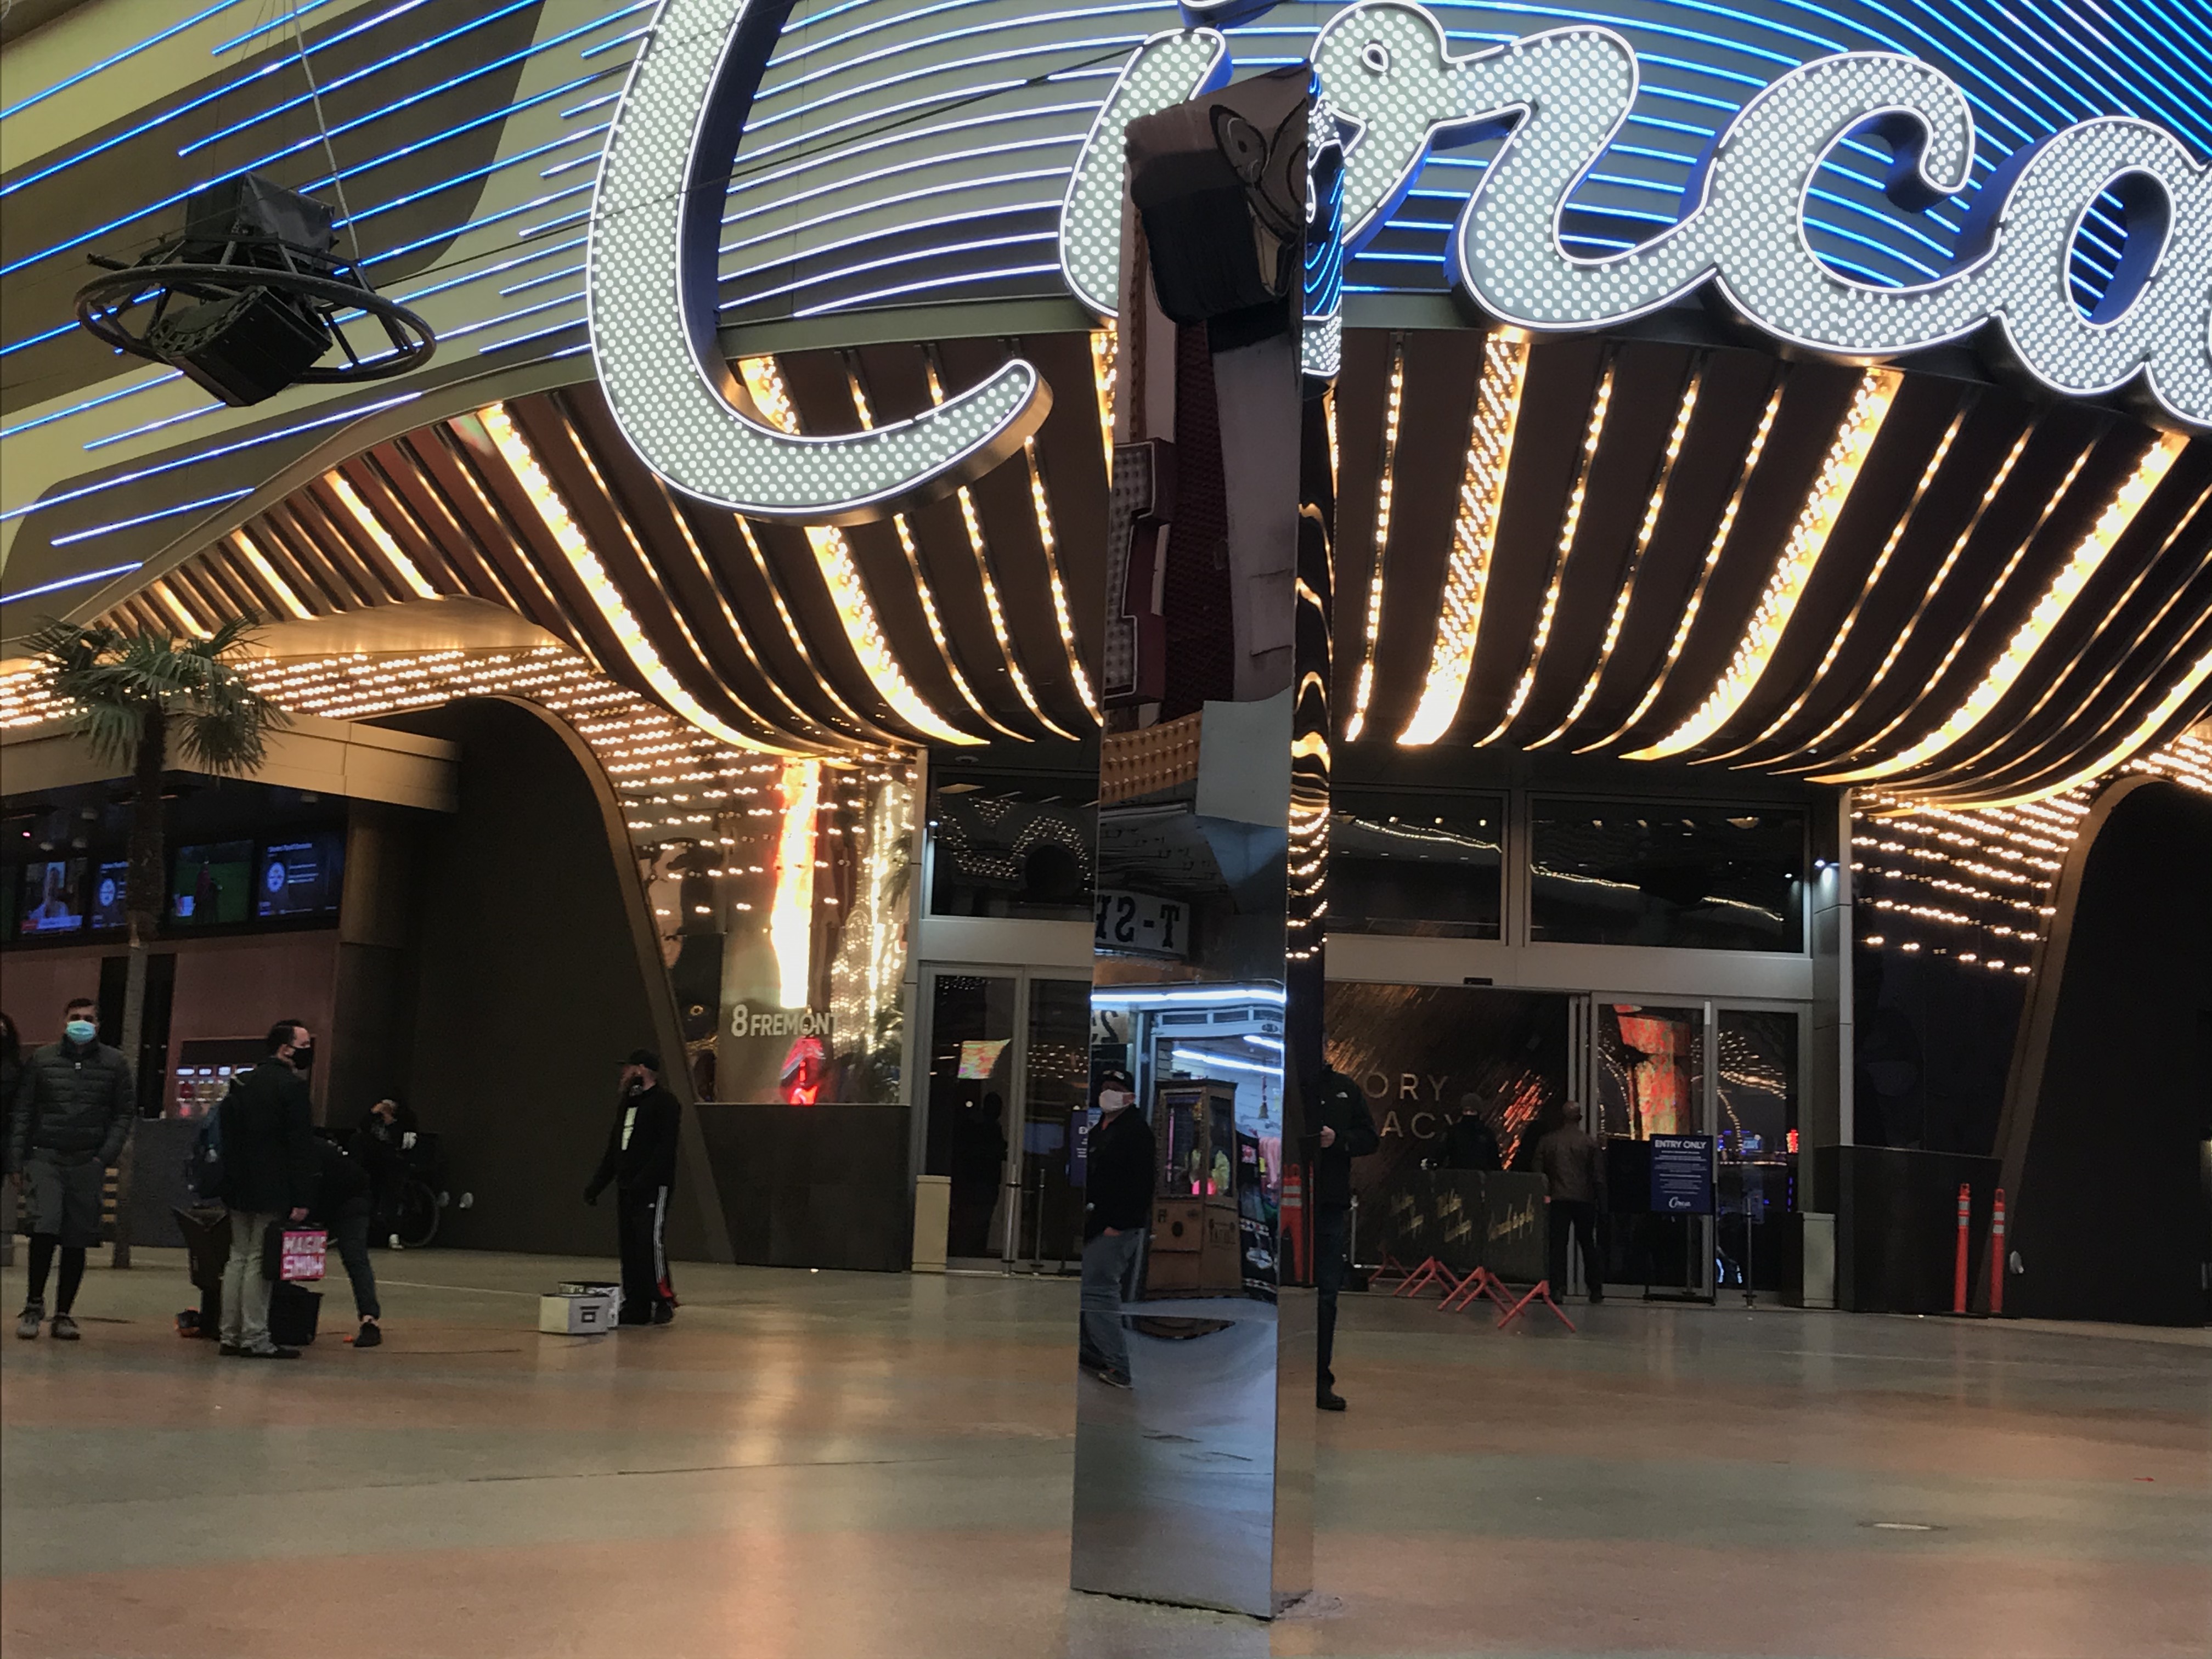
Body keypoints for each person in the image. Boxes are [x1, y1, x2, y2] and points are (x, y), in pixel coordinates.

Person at [9, 997, 133, 1341]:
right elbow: (24, 1111)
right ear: (64, 1022)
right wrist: (17, 1159)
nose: (82, 1023)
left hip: (87, 1161)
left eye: (89, 1018)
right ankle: (34, 1305)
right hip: (45, 1156)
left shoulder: (115, 1063)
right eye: (76, 1017)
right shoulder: (42, 1060)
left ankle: (64, 1314)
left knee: (77, 1238)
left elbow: (123, 1113)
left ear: (98, 1025)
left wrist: (103, 1157)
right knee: (44, 1228)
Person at [217, 1021, 319, 1358]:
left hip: (237, 1183)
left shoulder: (242, 1082)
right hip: (273, 1185)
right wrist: (302, 1196)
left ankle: (229, 1334)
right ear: (286, 1049)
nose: (308, 1051)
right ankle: (255, 1337)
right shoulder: (292, 1088)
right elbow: (300, 1147)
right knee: (260, 1260)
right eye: (304, 1045)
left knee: (237, 1257)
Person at [584, 1049, 680, 1326]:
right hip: (628, 1188)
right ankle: (636, 1303)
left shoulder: (665, 1103)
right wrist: (597, 1185)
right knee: (630, 1246)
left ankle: (662, 1299)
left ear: (641, 1069)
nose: (624, 1074)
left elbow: (665, 1150)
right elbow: (615, 1149)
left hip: (653, 1187)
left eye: (627, 1068)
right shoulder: (628, 1104)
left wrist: (644, 1180)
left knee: (650, 1242)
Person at [1078, 1068, 1153, 1390]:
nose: (1108, 1093)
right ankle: (1093, 1351)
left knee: (1099, 1291)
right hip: (1097, 1224)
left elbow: (1141, 1186)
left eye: (1116, 1088)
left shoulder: (1136, 1132)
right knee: (1090, 1291)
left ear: (1130, 1096)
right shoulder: (1101, 1128)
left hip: (1116, 1228)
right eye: (1104, 1087)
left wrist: (1118, 1225)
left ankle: (1118, 1366)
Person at [1311, 1065, 1380, 1412]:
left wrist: (1338, 1140)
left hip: (1329, 1203)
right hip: (1283, 1203)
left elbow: (1370, 1138)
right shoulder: (1287, 1085)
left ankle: (1320, 1381)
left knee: (1326, 1296)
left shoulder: (1345, 1088)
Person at [309, 1131, 383, 1347]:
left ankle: (370, 1319)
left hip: (351, 1202)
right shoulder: (312, 1148)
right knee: (356, 1260)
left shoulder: (309, 1151)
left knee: (355, 1257)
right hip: (334, 1200)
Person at [1536, 1102, 1606, 1304]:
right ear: (1580, 1118)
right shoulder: (1589, 1143)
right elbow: (1598, 1177)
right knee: (1588, 1244)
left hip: (1558, 1198)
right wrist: (1602, 1205)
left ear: (1562, 1117)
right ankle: (1595, 1289)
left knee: (1557, 1245)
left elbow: (1538, 1172)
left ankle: (1556, 1288)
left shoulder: (1548, 1141)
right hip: (1584, 1199)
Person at [352, 1095, 419, 1245]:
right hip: (372, 1164)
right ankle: (368, 1232)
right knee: (370, 1195)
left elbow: (402, 1144)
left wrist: (390, 1122)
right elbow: (363, 1128)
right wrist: (373, 1113)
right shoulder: (372, 1122)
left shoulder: (402, 1123)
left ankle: (393, 1233)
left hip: (393, 1164)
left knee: (393, 1197)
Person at [1441, 1094, 1502, 1171]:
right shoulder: (1453, 1132)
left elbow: (1494, 1160)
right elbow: (1442, 1153)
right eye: (1466, 1111)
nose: (1468, 1114)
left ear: (1478, 1113)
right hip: (1458, 1175)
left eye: (1472, 1111)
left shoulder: (1486, 1134)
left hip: (1479, 1176)